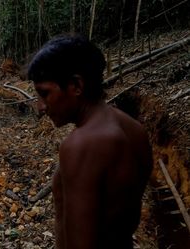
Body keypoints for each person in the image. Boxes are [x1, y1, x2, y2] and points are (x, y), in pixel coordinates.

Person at [28, 34, 152, 249]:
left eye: (45, 94)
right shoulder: (134, 129)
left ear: (76, 85)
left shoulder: (82, 145)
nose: (40, 107)